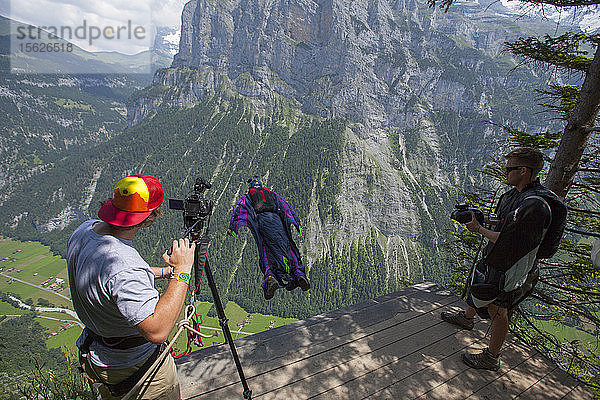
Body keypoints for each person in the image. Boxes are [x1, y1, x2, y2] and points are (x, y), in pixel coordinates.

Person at [67, 174, 196, 399]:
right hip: (137, 368)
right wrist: (183, 270)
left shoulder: (85, 231)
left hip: (98, 353)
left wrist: (166, 272)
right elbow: (157, 330)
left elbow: (112, 281)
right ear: (150, 218)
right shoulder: (125, 265)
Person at [441, 147, 560, 371]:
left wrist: (479, 229)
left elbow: (510, 240)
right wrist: (478, 217)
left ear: (523, 171)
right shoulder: (515, 195)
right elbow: (505, 224)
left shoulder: (534, 206)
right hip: (498, 258)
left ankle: (491, 357)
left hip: (512, 267)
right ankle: (467, 319)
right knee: (480, 283)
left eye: (509, 169)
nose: (505, 172)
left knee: (499, 309)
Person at [227, 176, 310, 300]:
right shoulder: (271, 194)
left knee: (266, 252)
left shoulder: (247, 197)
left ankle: (270, 277)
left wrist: (232, 228)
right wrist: (296, 221)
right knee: (288, 247)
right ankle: (298, 273)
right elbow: (285, 206)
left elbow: (238, 210)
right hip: (278, 224)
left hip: (262, 225)